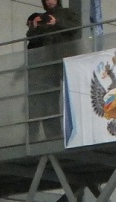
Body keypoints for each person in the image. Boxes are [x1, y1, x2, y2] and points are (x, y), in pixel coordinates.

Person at [25, 0, 80, 141]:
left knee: (74, 95)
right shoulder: (42, 17)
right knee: (50, 100)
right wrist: (35, 26)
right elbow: (32, 39)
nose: (49, 1)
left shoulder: (68, 13)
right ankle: (54, 136)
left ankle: (78, 129)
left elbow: (75, 27)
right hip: (49, 62)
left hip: (66, 59)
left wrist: (57, 22)